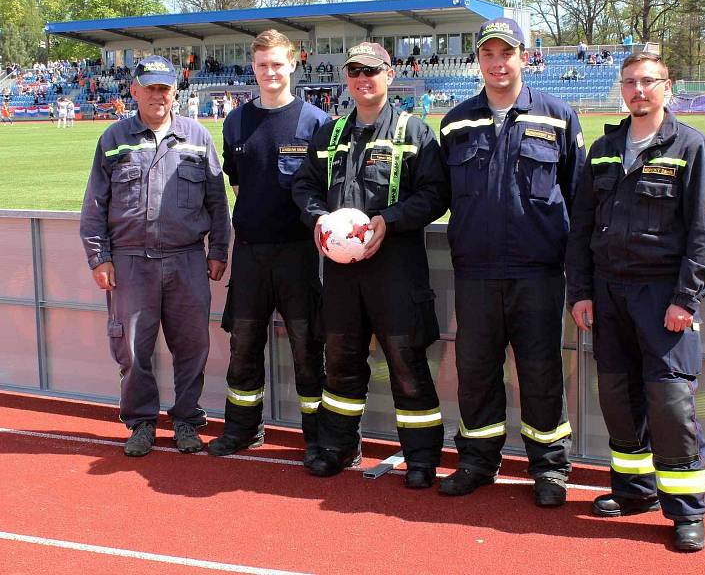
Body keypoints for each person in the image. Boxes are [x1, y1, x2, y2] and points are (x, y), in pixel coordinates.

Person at [565, 52, 705, 552]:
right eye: (630, 82)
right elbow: (582, 229)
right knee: (618, 398)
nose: (638, 90)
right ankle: (634, 492)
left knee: (671, 403)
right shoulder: (605, 148)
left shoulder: (692, 147)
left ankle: (685, 510)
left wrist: (686, 297)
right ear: (621, 88)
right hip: (609, 295)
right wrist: (582, 291)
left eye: (648, 82)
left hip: (662, 298)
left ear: (667, 87)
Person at [438, 17, 585, 505]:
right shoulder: (455, 121)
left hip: (537, 272)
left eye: (507, 53)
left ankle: (550, 469)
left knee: (541, 372)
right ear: (477, 60)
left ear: (525, 56)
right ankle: (479, 461)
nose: (497, 63)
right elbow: (435, 194)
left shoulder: (559, 116)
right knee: (476, 372)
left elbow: (580, 201)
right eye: (488, 54)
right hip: (476, 273)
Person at [292, 42, 447, 489]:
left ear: (390, 75)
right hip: (340, 276)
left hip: (396, 271)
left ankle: (421, 459)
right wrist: (317, 217)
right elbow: (303, 187)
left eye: (371, 71)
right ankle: (338, 448)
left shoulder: (413, 131)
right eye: (354, 70)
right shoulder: (330, 133)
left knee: (406, 365)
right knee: (340, 362)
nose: (363, 78)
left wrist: (389, 220)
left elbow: (436, 194)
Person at [79, 55, 230, 457]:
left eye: (164, 88)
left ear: (174, 91)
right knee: (131, 349)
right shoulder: (113, 138)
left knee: (192, 346)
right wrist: (99, 257)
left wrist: (218, 250)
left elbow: (218, 202)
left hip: (187, 260)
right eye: (150, 88)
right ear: (135, 91)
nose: (157, 95)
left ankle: (185, 420)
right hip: (130, 261)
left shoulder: (197, 136)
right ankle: (141, 423)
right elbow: (95, 204)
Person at [208, 30, 329, 463]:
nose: (270, 72)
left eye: (278, 64)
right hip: (251, 254)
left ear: (293, 64)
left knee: (306, 346)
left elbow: (322, 191)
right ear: (253, 67)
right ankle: (243, 430)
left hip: (299, 254)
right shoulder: (235, 122)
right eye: (262, 65)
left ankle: (317, 439)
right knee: (243, 345)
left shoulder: (315, 123)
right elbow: (237, 182)